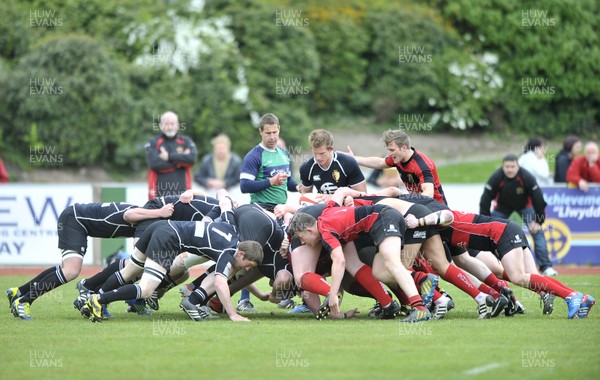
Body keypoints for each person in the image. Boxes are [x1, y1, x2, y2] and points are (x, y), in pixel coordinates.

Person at [81, 196, 264, 323]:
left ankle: (90, 298)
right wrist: (233, 314)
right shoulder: (229, 252)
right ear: (241, 254)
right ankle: (99, 300)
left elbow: (225, 202)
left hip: (160, 226)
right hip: (169, 238)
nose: (247, 269)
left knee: (129, 271)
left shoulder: (230, 225)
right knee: (145, 290)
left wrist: (229, 200)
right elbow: (219, 283)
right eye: (248, 265)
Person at [406, 205, 595, 319]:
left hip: (502, 232)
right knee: (529, 277)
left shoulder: (435, 218)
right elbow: (461, 262)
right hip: (503, 232)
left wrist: (418, 221)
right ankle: (581, 298)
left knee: (519, 276)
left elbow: (447, 216)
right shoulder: (441, 235)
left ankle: (572, 296)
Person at [6, 202, 174, 320]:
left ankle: (19, 292)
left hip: (77, 219)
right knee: (71, 271)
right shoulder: (150, 217)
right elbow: (129, 215)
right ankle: (24, 301)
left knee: (67, 268)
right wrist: (160, 212)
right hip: (74, 220)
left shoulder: (149, 216)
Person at [288, 186, 432, 322]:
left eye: (301, 237)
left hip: (383, 218)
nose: (303, 242)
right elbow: (341, 191)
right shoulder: (327, 210)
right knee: (380, 272)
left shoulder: (325, 232)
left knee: (392, 263)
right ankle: (415, 284)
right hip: (384, 218)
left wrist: (332, 295)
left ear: (309, 230)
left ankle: (420, 308)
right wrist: (358, 194)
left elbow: (340, 261)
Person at [237, 113, 299, 312]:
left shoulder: (283, 154)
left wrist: (300, 188)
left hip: (281, 211)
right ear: (260, 132)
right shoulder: (254, 155)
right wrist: (270, 182)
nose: (272, 136)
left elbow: (288, 183)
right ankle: (244, 300)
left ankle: (283, 295)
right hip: (260, 211)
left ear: (279, 130)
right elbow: (244, 186)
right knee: (252, 253)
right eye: (268, 133)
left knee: (284, 251)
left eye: (275, 132)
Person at [480, 154, 557, 276]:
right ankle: (494, 265)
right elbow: (485, 200)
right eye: (507, 167)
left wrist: (538, 221)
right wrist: (485, 223)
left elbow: (538, 199)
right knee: (490, 234)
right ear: (503, 167)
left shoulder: (526, 176)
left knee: (537, 231)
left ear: (518, 166)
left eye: (512, 166)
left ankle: (546, 267)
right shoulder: (496, 177)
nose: (510, 169)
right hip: (502, 208)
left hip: (525, 206)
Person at [348, 129, 447, 204]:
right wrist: (353, 159)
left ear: (403, 148)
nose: (389, 154)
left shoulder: (422, 165)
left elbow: (429, 194)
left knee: (394, 194)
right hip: (417, 204)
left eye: (392, 150)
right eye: (388, 150)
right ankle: (364, 203)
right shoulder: (398, 158)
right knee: (392, 191)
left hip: (436, 207)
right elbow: (379, 163)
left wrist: (405, 203)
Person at [146, 111, 197, 199]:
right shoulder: (153, 142)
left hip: (183, 194)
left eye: (172, 124)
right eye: (166, 124)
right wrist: (180, 162)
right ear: (161, 126)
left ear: (177, 125)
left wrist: (169, 157)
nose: (169, 127)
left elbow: (191, 160)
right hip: (159, 195)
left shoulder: (186, 141)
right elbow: (154, 164)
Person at [299, 129, 366, 195]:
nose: (318, 158)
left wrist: (336, 198)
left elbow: (363, 194)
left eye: (322, 153)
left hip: (347, 204)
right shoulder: (306, 168)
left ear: (330, 149)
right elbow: (305, 195)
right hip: (323, 204)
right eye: (315, 153)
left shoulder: (348, 163)